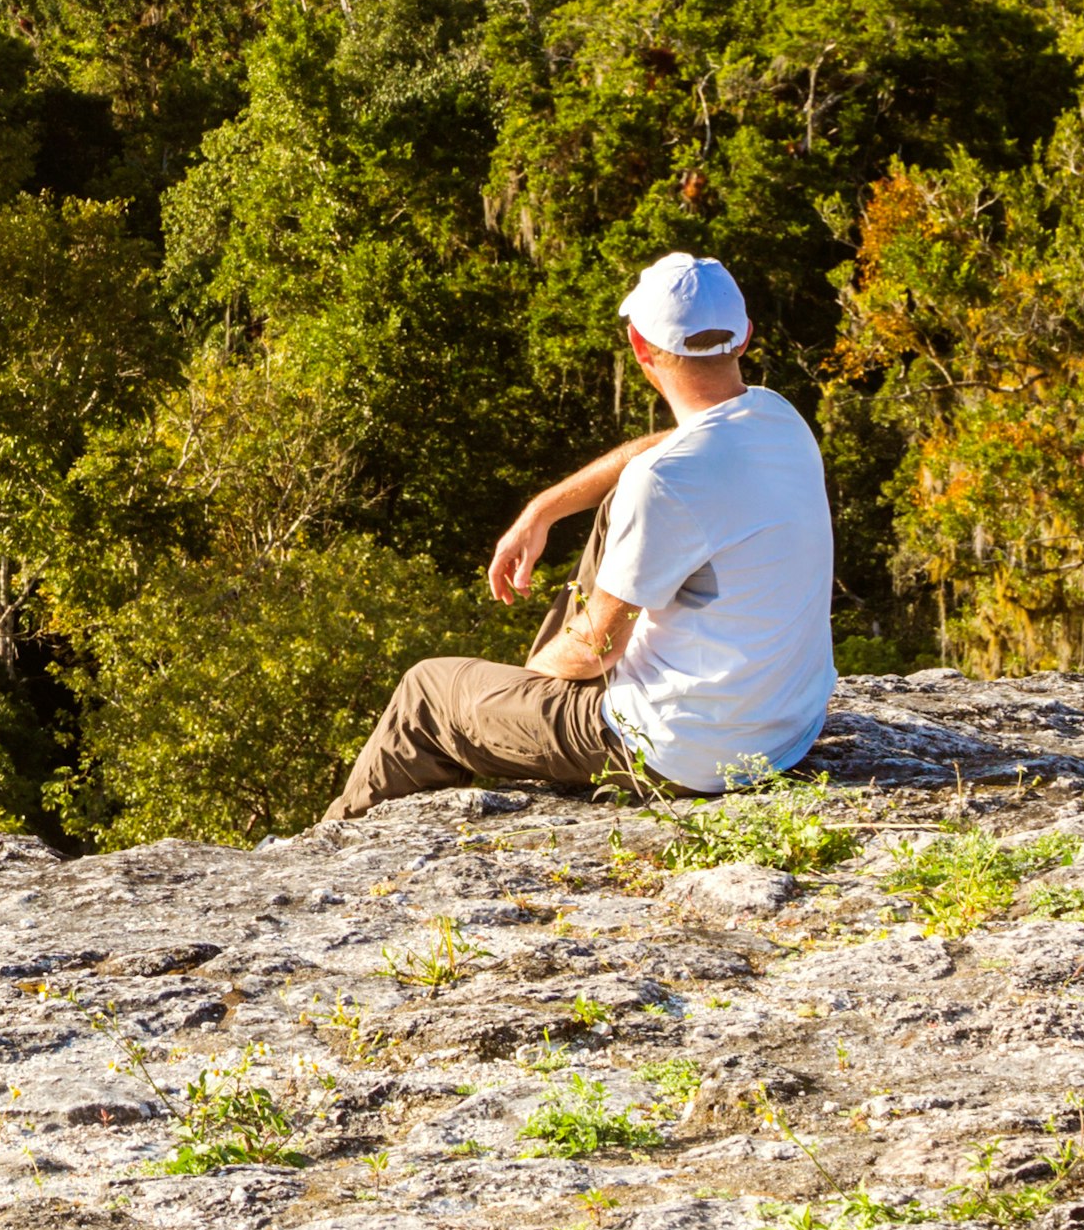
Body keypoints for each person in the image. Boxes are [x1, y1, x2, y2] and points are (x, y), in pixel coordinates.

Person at [321, 252, 835, 822]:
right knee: (618, 504)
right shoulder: (778, 418)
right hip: (784, 732)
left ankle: (332, 841)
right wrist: (545, 508)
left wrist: (528, 688)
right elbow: (673, 448)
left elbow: (597, 649)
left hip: (684, 754)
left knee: (428, 693)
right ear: (743, 340)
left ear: (639, 347)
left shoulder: (664, 483)